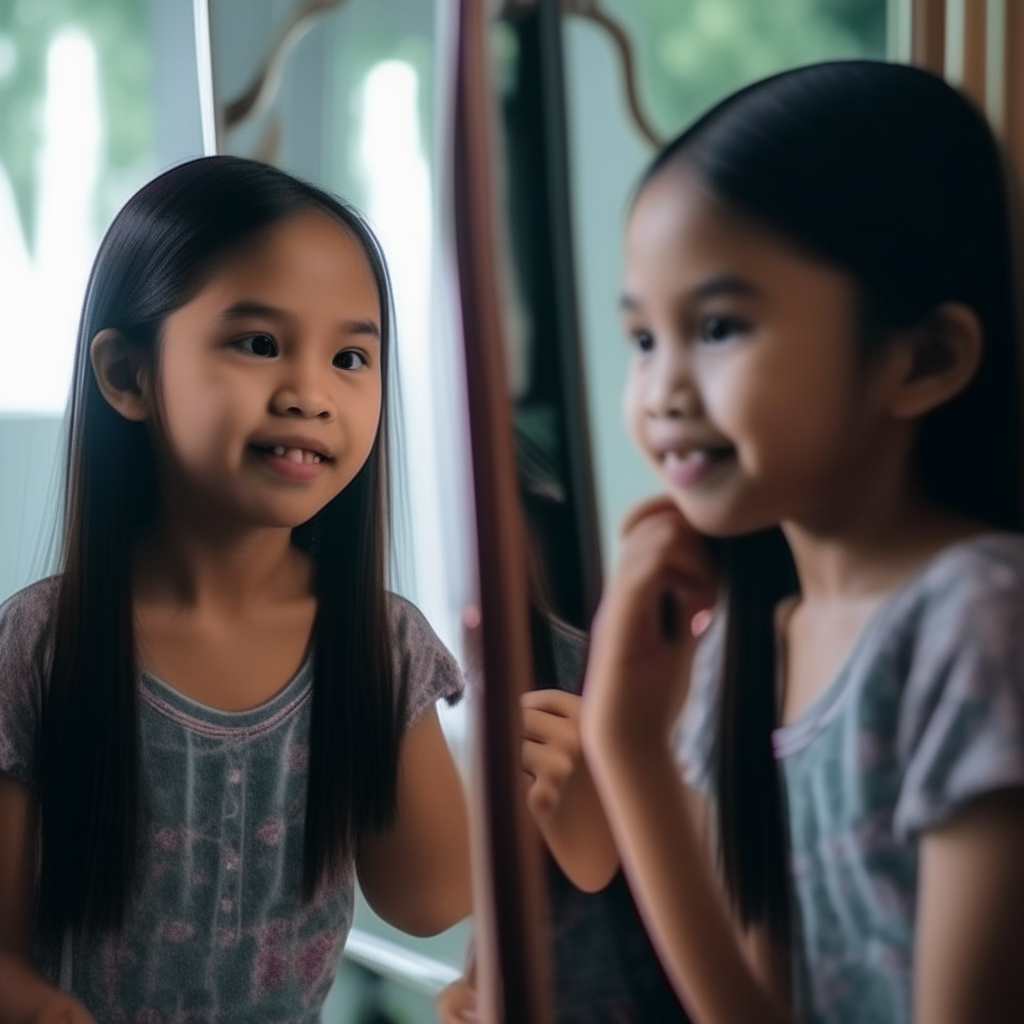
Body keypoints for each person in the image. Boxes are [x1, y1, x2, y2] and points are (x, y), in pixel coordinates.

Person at [580, 61, 1024, 1024]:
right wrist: (625, 749)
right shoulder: (749, 640)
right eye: (644, 339)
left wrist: (629, 753)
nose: (660, 393)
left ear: (926, 357)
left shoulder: (978, 622)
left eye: (719, 326)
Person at [0, 156, 471, 1023]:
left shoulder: (380, 644)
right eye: (258, 344)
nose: (309, 393)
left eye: (350, 356)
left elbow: (429, 899)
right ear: (126, 376)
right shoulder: (37, 646)